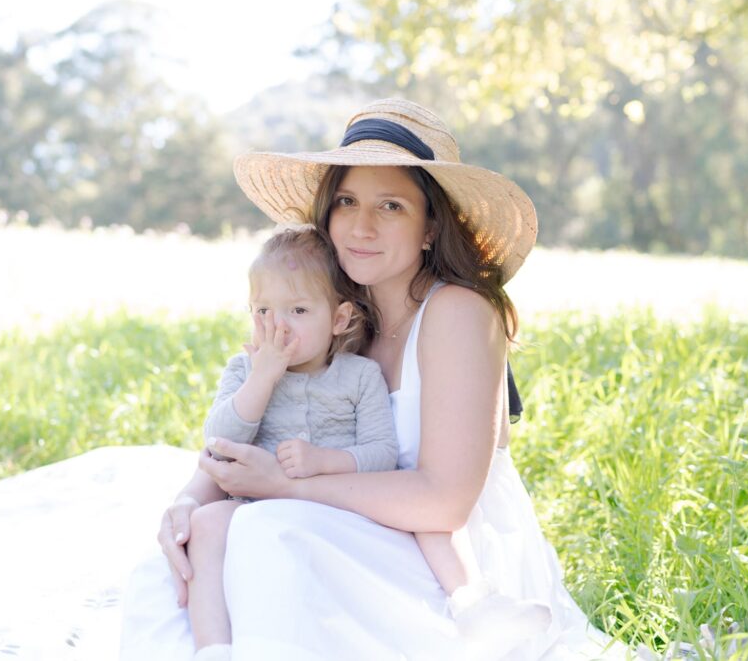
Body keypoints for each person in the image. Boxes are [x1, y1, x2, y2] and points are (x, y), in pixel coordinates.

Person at [120, 98, 628, 660]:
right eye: (347, 201)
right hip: (342, 518)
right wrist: (191, 499)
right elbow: (256, 423)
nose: (361, 226)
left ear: (431, 227)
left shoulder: (457, 312)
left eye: (391, 205)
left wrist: (285, 486)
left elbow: (444, 505)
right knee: (178, 562)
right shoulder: (334, 313)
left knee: (266, 536)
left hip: (447, 558)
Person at [186, 225, 400, 660]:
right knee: (206, 526)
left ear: (338, 319)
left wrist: (325, 460)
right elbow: (218, 440)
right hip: (250, 508)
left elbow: (383, 454)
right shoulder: (244, 370)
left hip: (330, 510)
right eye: (263, 311)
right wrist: (262, 378)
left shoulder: (359, 376)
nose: (277, 327)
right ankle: (213, 648)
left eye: (298, 311)